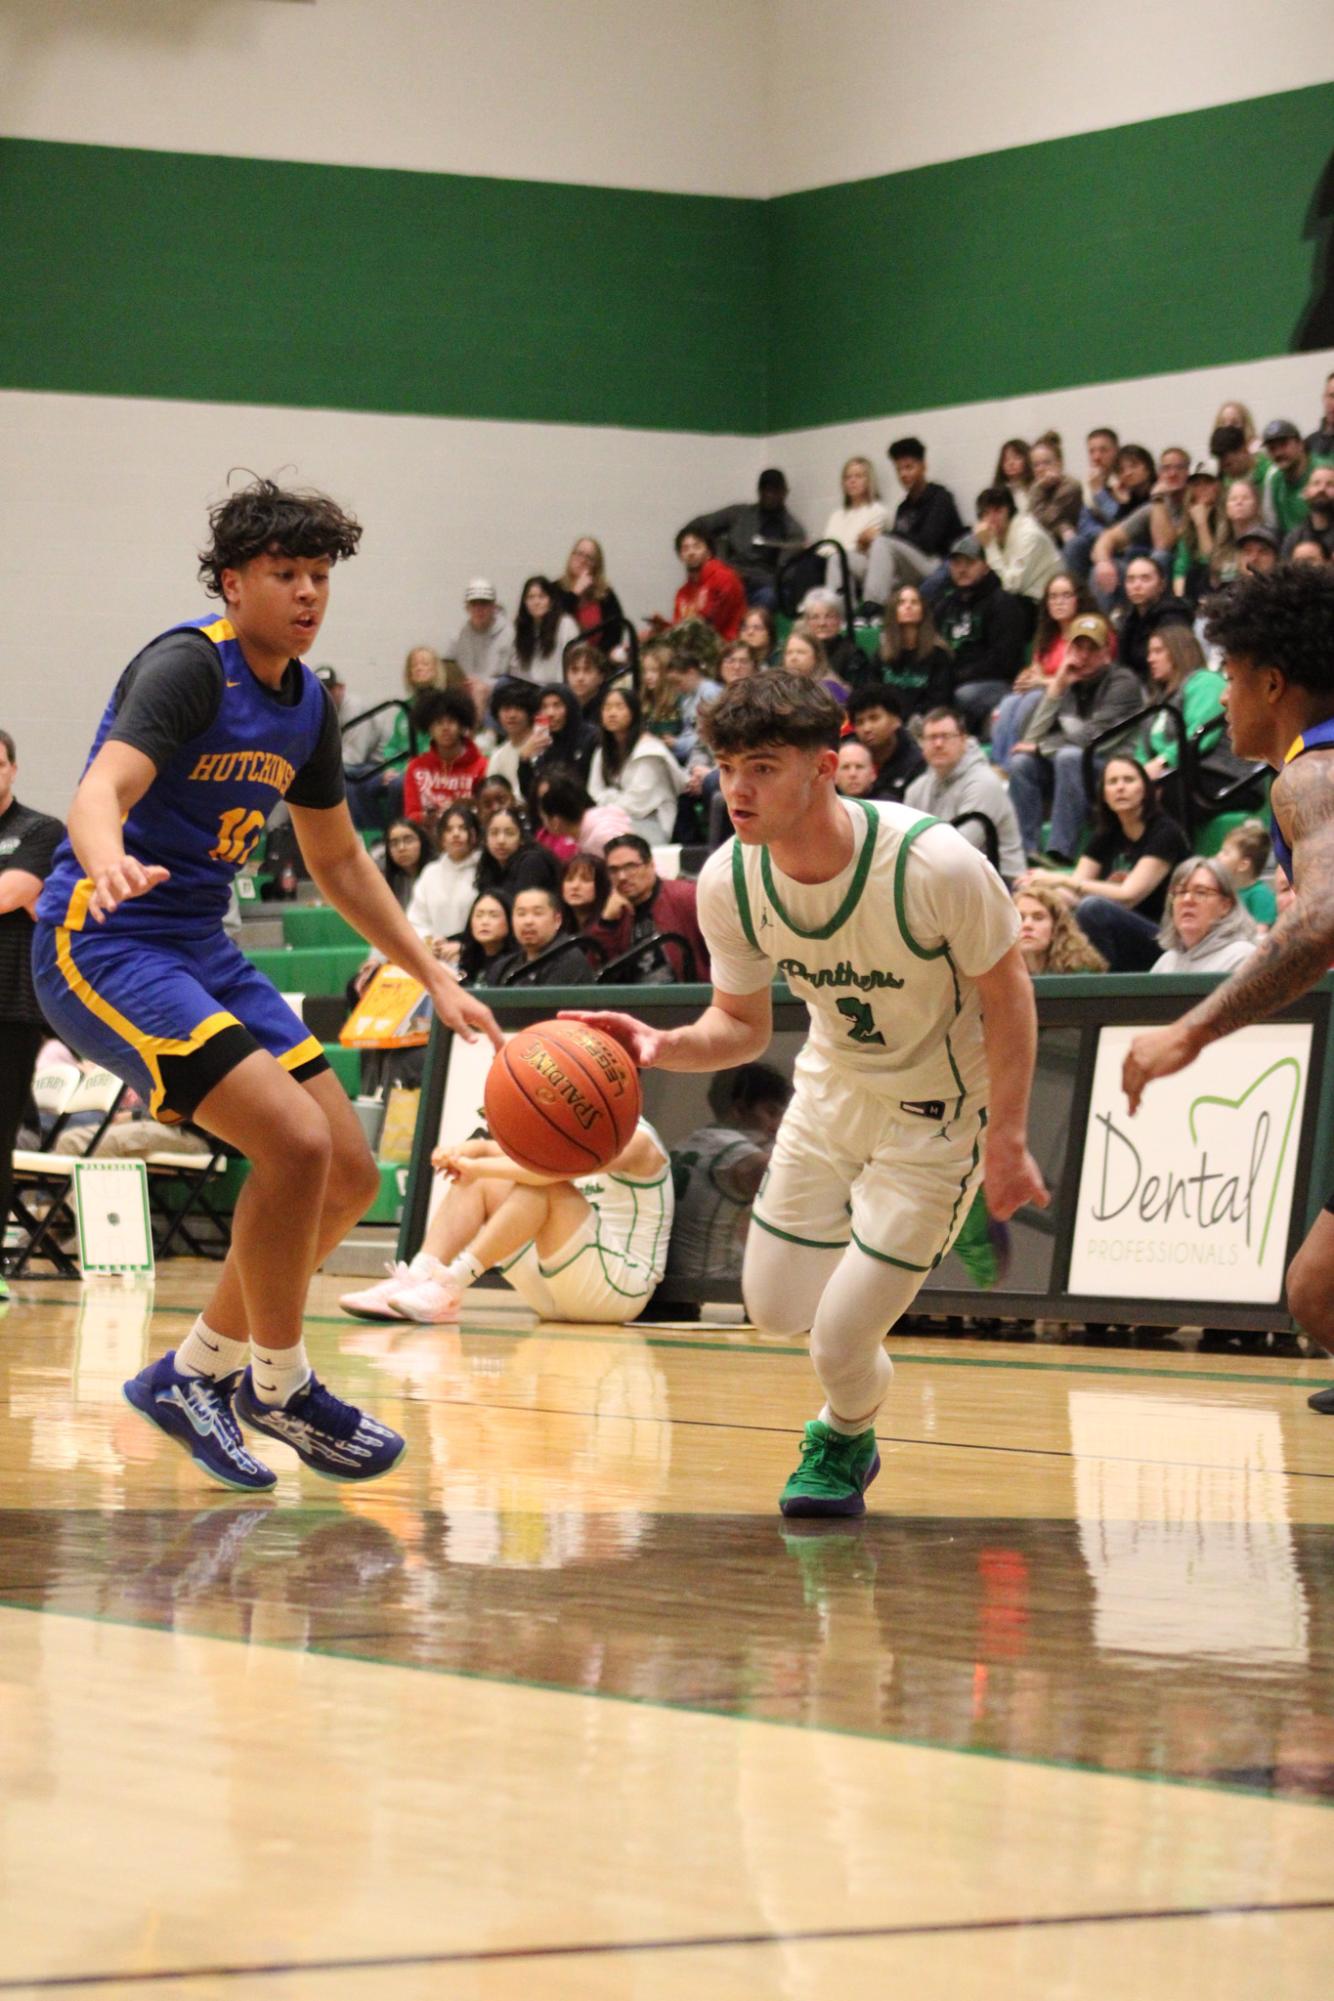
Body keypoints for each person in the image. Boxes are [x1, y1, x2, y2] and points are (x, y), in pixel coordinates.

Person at [31, 477, 501, 1490]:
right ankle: (275, 1383)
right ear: (233, 583)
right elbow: (97, 790)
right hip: (103, 939)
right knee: (287, 1142)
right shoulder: (186, 669)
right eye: (283, 573)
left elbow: (336, 862)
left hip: (198, 942)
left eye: (319, 575)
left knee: (345, 1171)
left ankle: (194, 1372)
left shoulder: (308, 707)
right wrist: (106, 855)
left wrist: (433, 973)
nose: (305, 592)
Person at [564, 671, 1046, 1518]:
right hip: (829, 1095)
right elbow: (742, 1027)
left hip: (937, 1116)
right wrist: (662, 1044)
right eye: (724, 765)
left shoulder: (932, 862)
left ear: (825, 766)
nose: (736, 789)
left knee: (839, 1336)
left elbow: (1010, 997)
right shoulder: (730, 880)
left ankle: (843, 1434)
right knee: (775, 1309)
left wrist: (1006, 1136)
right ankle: (878, 1262)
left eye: (762, 767)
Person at [1123, 567, 1334, 1410]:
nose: (1218, 707)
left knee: (1318, 1291)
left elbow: (1321, 922)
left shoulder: (1310, 775)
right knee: (1319, 1291)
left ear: (1273, 683)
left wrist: (1191, 1032)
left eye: (1234, 681)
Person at [339, 1119, 673, 1327]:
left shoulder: (637, 1140)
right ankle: (421, 1275)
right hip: (555, 1291)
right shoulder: (568, 1131)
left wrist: (479, 1163)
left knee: (544, 1184)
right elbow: (491, 1151)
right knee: (480, 1180)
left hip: (620, 1291)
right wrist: (467, 1151)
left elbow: (547, 1173)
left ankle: (451, 1282)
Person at [1024, 754, 1190, 970]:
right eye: (1112, 782)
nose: (1120, 787)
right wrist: (1039, 889)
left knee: (1093, 909)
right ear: (1104, 794)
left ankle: (1108, 987)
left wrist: (1058, 879)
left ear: (1146, 790)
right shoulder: (1106, 835)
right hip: (1121, 935)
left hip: (1163, 939)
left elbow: (1128, 896)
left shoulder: (1165, 833)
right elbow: (1073, 895)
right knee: (1031, 899)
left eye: (1128, 780)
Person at [0, 730, 63, 1296]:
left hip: (10, 1007)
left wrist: (16, 891)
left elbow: (14, 890)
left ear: (13, 769)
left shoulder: (40, 830)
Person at [1005, 615, 1145, 864]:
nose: (1084, 655)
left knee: (1069, 756)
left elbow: (1092, 738)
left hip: (1114, 769)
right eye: (1078, 647)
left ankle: (1061, 852)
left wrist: (1040, 748)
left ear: (1106, 653)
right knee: (1021, 763)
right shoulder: (1068, 682)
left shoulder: (1123, 683)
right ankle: (1025, 853)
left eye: (1092, 649)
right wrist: (1057, 688)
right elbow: (1030, 738)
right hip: (1071, 769)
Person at [660, 1063, 793, 1302]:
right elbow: (800, 1187)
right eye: (771, 1113)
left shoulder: (687, 1143)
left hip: (672, 1287)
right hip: (711, 1292)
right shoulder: (740, 1158)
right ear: (740, 1110)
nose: (776, 1125)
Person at [904, 708, 1025, 883]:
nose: (938, 744)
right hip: (946, 878)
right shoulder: (916, 788)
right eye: (931, 738)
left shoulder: (983, 783)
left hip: (998, 880)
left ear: (963, 740)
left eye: (945, 736)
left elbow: (961, 848)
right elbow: (904, 843)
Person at [990, 571, 1096, 771]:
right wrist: (1026, 678)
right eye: (1053, 597)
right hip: (1046, 695)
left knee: (1032, 698)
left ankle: (1012, 764)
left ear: (1079, 599)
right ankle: (999, 765)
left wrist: (1040, 681)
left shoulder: (1089, 632)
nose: (1058, 602)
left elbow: (1084, 677)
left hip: (1074, 699)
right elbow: (1035, 671)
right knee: (1008, 702)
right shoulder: (1048, 635)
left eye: (1066, 596)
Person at [934, 534, 1029, 734]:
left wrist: (956, 676)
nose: (962, 569)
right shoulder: (943, 606)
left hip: (998, 683)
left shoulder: (1003, 603)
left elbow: (1005, 661)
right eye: (956, 563)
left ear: (985, 566)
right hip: (954, 679)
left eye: (969, 562)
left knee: (961, 695)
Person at [584, 833, 710, 982]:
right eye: (614, 870)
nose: (622, 876)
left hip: (690, 997)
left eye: (630, 867)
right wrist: (607, 924)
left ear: (651, 865)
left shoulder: (685, 897)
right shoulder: (612, 910)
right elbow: (597, 972)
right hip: (632, 1001)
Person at [862, 436, 966, 609]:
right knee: (842, 559)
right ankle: (841, 614)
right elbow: (896, 548)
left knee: (882, 541)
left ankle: (871, 608)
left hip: (939, 565)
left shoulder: (940, 497)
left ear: (923, 466)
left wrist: (882, 536)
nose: (904, 474)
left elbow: (927, 542)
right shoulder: (903, 507)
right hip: (910, 570)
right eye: (899, 469)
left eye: (909, 467)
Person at [587, 685, 684, 844]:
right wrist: (611, 802)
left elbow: (638, 804)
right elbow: (594, 792)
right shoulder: (602, 751)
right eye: (607, 708)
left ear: (633, 712)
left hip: (650, 821)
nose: (612, 713)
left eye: (619, 707)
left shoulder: (650, 750)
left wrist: (609, 797)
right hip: (610, 820)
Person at [695, 470, 806, 607]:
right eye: (765, 489)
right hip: (728, 577)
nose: (769, 494)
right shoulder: (739, 513)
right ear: (759, 491)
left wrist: (748, 578)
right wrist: (688, 545)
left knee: (769, 596)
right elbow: (701, 524)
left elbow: (784, 576)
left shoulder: (793, 530)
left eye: (775, 490)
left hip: (763, 585)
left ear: (784, 492)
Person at [1140, 626, 1224, 784]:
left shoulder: (1206, 682)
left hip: (1212, 774)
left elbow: (1201, 734)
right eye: (1149, 653)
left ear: (1180, 652)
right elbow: (1142, 750)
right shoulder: (1157, 700)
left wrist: (1163, 761)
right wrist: (1136, 773)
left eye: (1158, 651)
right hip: (1168, 777)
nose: (1150, 659)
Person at [1150, 858, 1257, 974]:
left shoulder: (1242, 957)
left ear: (1225, 906)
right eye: (1180, 892)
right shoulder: (1166, 961)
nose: (1187, 900)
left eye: (1201, 892)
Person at [401, 687, 487, 826]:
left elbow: (484, 813)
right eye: (438, 722)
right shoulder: (416, 767)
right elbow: (411, 815)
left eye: (451, 721)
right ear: (429, 727)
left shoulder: (482, 766)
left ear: (461, 725)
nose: (445, 728)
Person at [485, 885, 596, 987]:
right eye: (521, 913)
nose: (528, 921)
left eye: (537, 913)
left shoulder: (570, 960)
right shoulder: (503, 967)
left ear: (557, 920)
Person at [405, 803, 480, 956]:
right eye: (449, 829)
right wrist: (431, 941)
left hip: (473, 955)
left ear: (474, 834)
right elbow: (416, 919)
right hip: (436, 955)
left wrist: (464, 946)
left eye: (463, 828)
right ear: (441, 836)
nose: (456, 834)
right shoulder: (430, 873)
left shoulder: (485, 870)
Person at [874, 582, 954, 716]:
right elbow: (873, 694)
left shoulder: (939, 655)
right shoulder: (881, 654)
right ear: (893, 611)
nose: (908, 606)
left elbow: (939, 699)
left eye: (914, 602)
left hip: (924, 721)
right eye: (901, 603)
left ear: (923, 611)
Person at [975, 485, 1060, 605]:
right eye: (986, 513)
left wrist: (989, 546)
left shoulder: (1028, 535)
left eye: (998, 511)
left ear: (1009, 511)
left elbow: (1012, 587)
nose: (991, 519)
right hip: (1025, 597)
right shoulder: (993, 533)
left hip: (1045, 600)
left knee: (1002, 603)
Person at [1114, 554, 1193, 680]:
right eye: (1130, 580)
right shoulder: (1127, 620)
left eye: (1145, 579)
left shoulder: (1173, 617)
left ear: (1161, 585)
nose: (1136, 585)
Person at [845, 684, 925, 803]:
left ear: (896, 720)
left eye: (874, 718)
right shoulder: (846, 755)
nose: (867, 728)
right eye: (860, 722)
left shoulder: (916, 763)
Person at [821, 456, 886, 595]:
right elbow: (825, 547)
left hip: (866, 566)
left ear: (869, 480)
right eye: (847, 477)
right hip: (838, 560)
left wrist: (835, 550)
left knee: (837, 559)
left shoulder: (877, 511)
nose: (852, 481)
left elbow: (860, 548)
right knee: (812, 562)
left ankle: (839, 609)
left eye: (858, 476)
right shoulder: (837, 515)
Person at [669, 525, 746, 640]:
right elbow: (678, 629)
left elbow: (712, 625)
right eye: (685, 548)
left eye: (697, 546)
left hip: (726, 649)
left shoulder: (724, 578)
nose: (691, 552)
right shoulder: (682, 594)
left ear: (709, 552)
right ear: (681, 556)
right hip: (691, 651)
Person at [1013, 882, 1107, 976]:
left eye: (1038, 918)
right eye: (1020, 918)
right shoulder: (1001, 973)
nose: (1027, 925)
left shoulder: (1080, 971)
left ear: (1056, 927)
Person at [1259, 419, 1332, 539]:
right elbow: (1273, 526)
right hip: (1292, 548)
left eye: (1283, 445)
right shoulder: (1273, 480)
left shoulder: (1324, 470)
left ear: (1300, 444)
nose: (1278, 453)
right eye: (1272, 448)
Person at [474, 803, 562, 900]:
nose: (501, 840)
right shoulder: (488, 866)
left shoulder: (532, 862)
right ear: (485, 839)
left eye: (509, 833)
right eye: (494, 833)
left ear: (521, 839)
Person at [507, 575, 579, 686]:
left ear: (551, 600)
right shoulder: (519, 627)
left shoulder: (565, 624)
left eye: (541, 596)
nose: (536, 602)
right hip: (527, 687)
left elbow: (575, 658)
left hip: (557, 687)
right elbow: (514, 666)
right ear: (524, 602)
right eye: (531, 597)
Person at [557, 537, 624, 646]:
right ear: (571, 557)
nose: (582, 560)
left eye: (589, 557)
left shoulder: (605, 593)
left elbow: (615, 631)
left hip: (595, 658)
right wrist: (574, 593)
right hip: (561, 656)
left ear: (596, 565)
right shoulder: (555, 588)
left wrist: (596, 658)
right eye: (579, 554)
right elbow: (555, 623)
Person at [452, 580, 515, 685]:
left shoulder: (510, 634)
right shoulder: (458, 636)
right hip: (467, 688)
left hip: (500, 690)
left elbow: (513, 676)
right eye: (474, 604)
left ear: (494, 606)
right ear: (467, 608)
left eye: (484, 604)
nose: (479, 609)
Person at [1215, 818, 1277, 926]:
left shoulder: (1261, 895)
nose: (1218, 856)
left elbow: (1261, 933)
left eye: (1226, 852)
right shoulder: (1226, 891)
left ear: (1243, 865)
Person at [485, 678, 543, 792]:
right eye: (506, 709)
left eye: (518, 709)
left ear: (530, 713)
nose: (512, 715)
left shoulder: (542, 746)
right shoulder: (498, 756)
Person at [1027, 433, 1084, 548]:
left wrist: (1038, 490)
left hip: (1069, 545)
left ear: (1059, 463)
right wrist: (1061, 527)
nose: (1041, 469)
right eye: (1036, 465)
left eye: (1046, 463)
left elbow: (1043, 521)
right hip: (1047, 544)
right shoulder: (1037, 488)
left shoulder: (1071, 486)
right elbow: (1032, 524)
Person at [798, 588, 863, 688]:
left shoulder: (853, 655)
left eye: (829, 616)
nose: (822, 623)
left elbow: (856, 696)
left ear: (839, 620)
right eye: (815, 617)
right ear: (806, 622)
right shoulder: (798, 651)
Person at [456, 889, 513, 985]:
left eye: (494, 915)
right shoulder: (467, 962)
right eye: (479, 915)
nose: (484, 922)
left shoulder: (515, 965)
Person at [782, 626, 848, 705]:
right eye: (789, 653)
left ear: (817, 656)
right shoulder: (780, 687)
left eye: (801, 652)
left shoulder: (830, 689)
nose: (793, 658)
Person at [559, 851, 611, 939]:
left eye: (586, 879)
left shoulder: (609, 924)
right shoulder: (558, 925)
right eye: (569, 879)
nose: (575, 886)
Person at [563, 640, 610, 721]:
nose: (580, 678)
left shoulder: (609, 708)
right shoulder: (562, 706)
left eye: (587, 670)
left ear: (601, 677)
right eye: (574, 670)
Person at [993, 438, 1034, 513]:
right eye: (1006, 459)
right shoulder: (998, 493)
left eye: (1016, 457)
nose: (1011, 463)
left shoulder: (1037, 487)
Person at [737, 604, 779, 670]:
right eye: (745, 628)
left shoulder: (780, 660)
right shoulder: (734, 664)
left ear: (769, 633)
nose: (750, 632)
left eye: (757, 628)